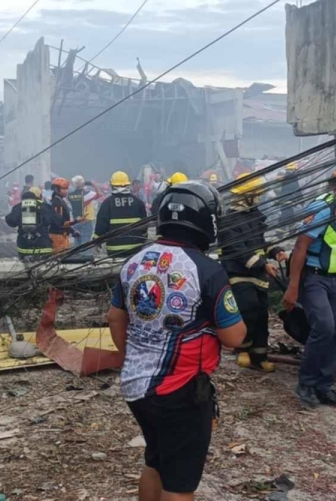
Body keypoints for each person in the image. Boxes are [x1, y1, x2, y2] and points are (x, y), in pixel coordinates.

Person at [108, 181, 246, 501]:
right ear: (204, 222)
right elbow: (235, 337)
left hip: (136, 385)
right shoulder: (207, 271)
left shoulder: (134, 262)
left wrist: (134, 356)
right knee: (180, 483)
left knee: (156, 460)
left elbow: (115, 317)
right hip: (180, 391)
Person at [282, 168, 336, 408]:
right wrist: (293, 286)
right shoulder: (321, 210)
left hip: (333, 279)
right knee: (323, 326)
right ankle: (306, 383)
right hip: (313, 278)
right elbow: (301, 247)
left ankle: (325, 385)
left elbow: (332, 243)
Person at [220, 173, 287, 373]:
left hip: (257, 274)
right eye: (256, 195)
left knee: (261, 314)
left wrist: (275, 251)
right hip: (238, 272)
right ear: (246, 196)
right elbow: (239, 250)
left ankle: (260, 355)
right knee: (248, 307)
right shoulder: (229, 219)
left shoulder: (255, 215)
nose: (258, 198)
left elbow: (260, 242)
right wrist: (263, 264)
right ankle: (242, 348)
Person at [95, 171, 148, 258]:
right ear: (128, 185)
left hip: (115, 249)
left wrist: (97, 240)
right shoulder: (138, 202)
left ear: (112, 185)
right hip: (135, 248)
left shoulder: (107, 203)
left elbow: (101, 224)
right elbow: (144, 225)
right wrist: (144, 237)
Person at [5, 186, 54, 261]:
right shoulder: (45, 207)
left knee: (27, 271)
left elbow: (10, 222)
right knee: (45, 270)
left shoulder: (18, 207)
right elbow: (57, 221)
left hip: (24, 248)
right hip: (43, 246)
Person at [47, 178, 73, 253]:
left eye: (66, 189)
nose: (66, 191)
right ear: (56, 189)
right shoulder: (58, 203)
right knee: (59, 258)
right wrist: (76, 221)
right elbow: (59, 222)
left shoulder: (60, 201)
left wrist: (72, 231)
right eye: (63, 189)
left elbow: (63, 220)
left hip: (62, 235)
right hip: (58, 236)